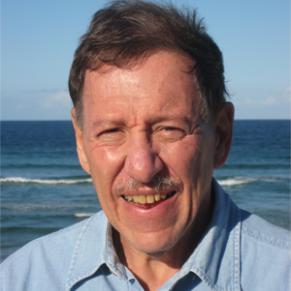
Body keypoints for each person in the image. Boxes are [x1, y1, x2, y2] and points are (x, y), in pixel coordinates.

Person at [1, 1, 290, 290]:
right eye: (112, 131)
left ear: (221, 136)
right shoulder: (23, 278)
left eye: (169, 129)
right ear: (81, 142)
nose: (142, 168)